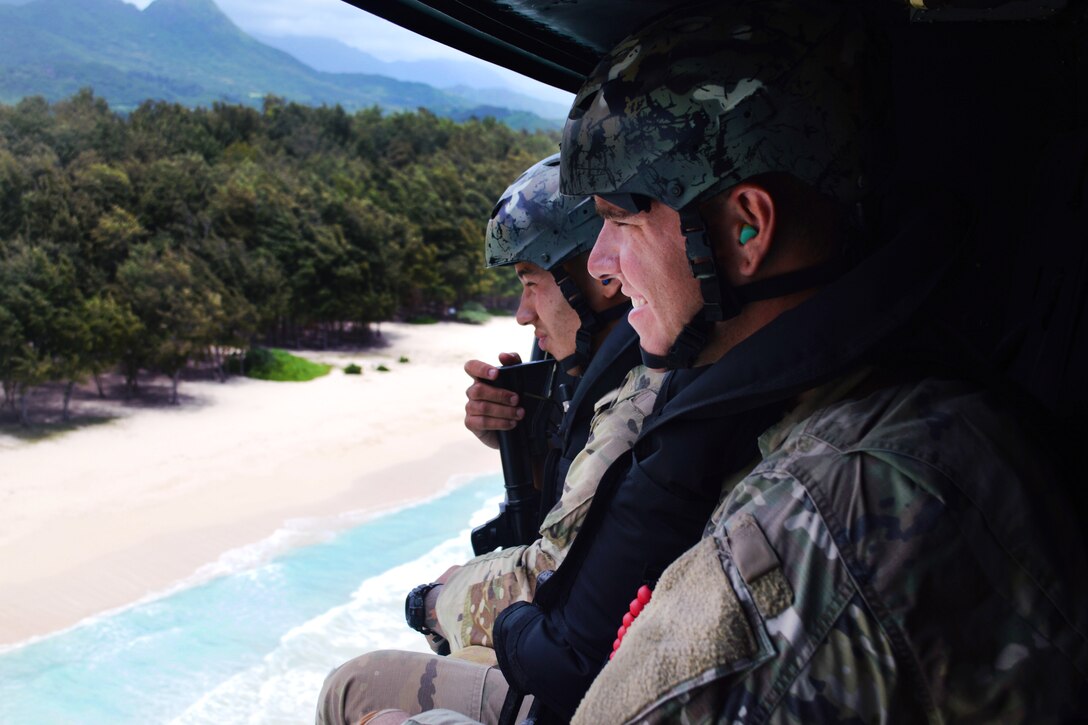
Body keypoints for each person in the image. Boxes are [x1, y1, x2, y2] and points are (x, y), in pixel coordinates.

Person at [376, 2, 1087, 722]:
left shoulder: (822, 509)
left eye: (622, 221)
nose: (604, 265)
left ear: (748, 226)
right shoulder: (891, 392)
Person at [316, 154, 649, 725]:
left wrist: (431, 600)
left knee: (353, 688)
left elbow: (548, 570)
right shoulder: (606, 377)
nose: (523, 314)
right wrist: (525, 436)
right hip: (587, 666)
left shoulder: (634, 400)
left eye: (530, 283)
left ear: (603, 278)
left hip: (582, 687)